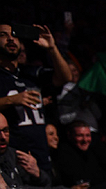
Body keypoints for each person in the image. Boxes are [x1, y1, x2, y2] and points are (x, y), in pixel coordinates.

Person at [0, 22, 72, 172]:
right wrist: (11, 100)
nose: (11, 39)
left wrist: (52, 48)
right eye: (3, 35)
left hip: (41, 157)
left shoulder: (30, 73)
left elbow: (65, 77)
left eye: (14, 36)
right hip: (14, 159)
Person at [0, 112, 95, 189]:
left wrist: (37, 174)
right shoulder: (64, 154)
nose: (3, 137)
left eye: (5, 130)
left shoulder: (12, 154)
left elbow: (46, 186)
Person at [54, 119, 106, 189]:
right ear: (70, 136)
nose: (85, 140)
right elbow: (84, 181)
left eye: (87, 135)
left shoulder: (91, 152)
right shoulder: (64, 154)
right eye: (80, 135)